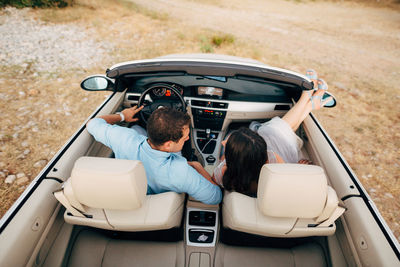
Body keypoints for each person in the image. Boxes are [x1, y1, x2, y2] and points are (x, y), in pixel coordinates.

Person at [210, 76, 334, 196]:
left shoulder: (222, 174)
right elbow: (288, 177)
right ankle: (306, 100)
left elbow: (212, 185)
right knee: (274, 131)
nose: (222, 142)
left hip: (248, 167)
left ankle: (309, 104)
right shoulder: (272, 159)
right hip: (272, 164)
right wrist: (299, 169)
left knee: (275, 131)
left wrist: (198, 167)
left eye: (227, 142)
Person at [86, 106, 222, 205]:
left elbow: (92, 123)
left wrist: (122, 116)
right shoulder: (182, 172)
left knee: (135, 129)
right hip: (155, 205)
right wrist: (199, 167)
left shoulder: (124, 138)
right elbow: (215, 197)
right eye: (185, 137)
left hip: (131, 196)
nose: (187, 139)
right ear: (168, 145)